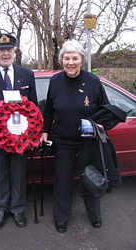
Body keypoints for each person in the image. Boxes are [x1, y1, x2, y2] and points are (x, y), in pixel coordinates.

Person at [40, 39, 124, 233]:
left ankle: (95, 216)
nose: (71, 62)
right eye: (67, 58)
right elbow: (49, 111)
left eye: (75, 58)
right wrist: (44, 131)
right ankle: (61, 218)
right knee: (62, 181)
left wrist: (100, 124)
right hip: (63, 141)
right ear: (62, 61)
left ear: (81, 60)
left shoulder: (93, 81)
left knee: (91, 179)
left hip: (88, 141)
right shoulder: (55, 81)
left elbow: (105, 107)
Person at [0, 34, 38, 229]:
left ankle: (18, 209)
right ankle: (2, 208)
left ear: (14, 51)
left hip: (21, 137)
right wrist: (1, 109)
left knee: (18, 174)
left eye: (9, 49)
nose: (5, 53)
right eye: (1, 50)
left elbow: (34, 105)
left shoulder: (26, 74)